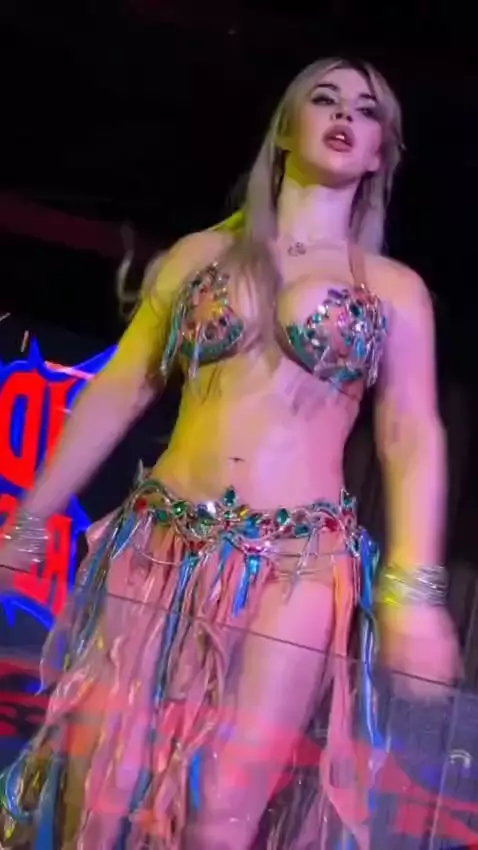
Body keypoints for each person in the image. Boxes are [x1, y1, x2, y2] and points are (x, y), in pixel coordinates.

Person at [0, 57, 459, 850]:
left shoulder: (392, 288)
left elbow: (409, 434)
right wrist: (27, 523)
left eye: (367, 111)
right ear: (285, 128)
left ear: (379, 153)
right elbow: (120, 389)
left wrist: (413, 595)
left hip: (297, 566)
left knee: (224, 807)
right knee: (102, 784)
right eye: (324, 99)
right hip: (159, 547)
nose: (344, 116)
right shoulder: (198, 257)